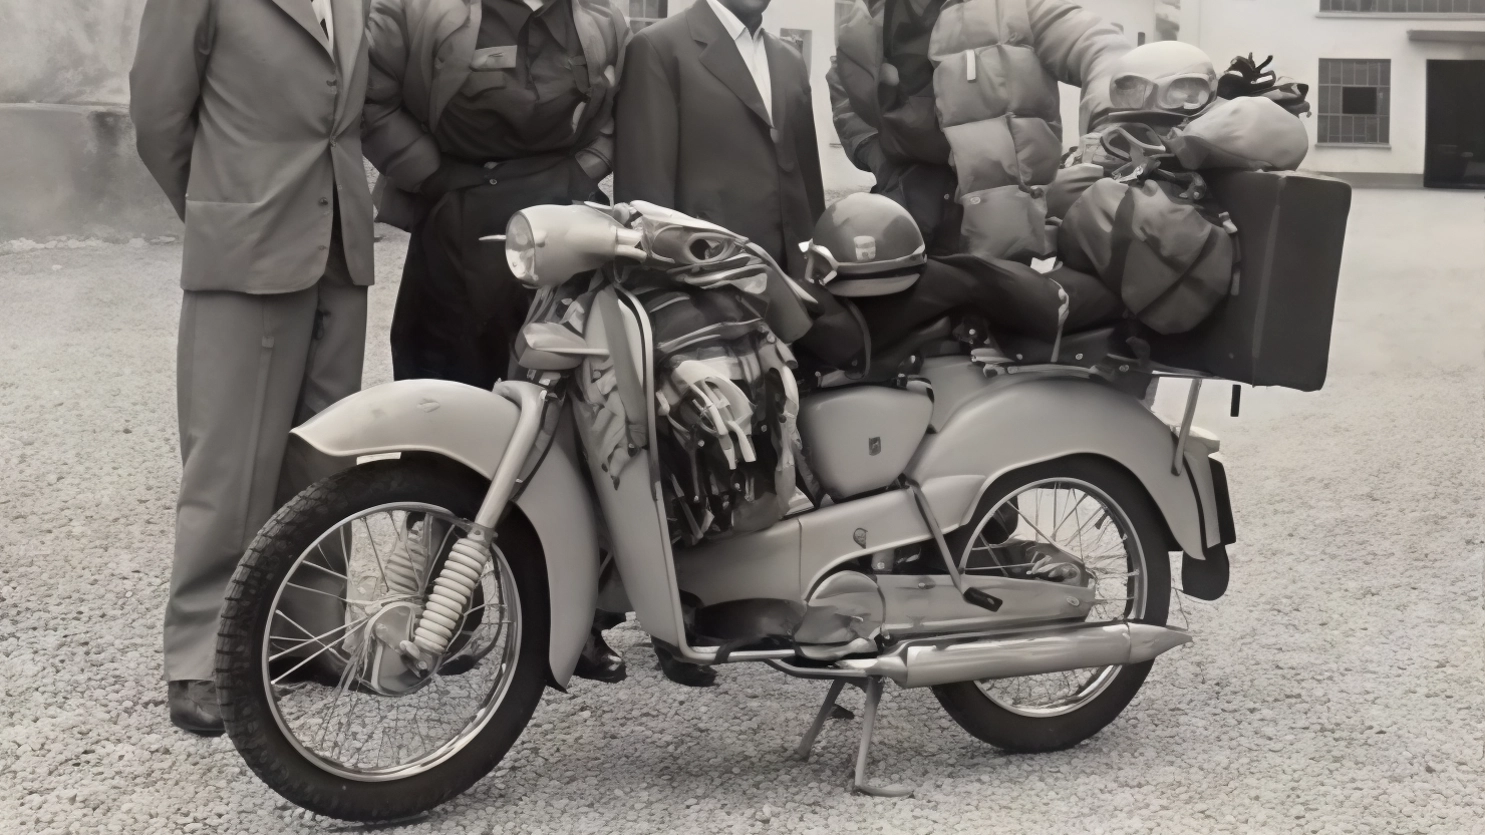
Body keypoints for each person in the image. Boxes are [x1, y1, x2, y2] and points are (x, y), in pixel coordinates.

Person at [361, 0, 631, 683]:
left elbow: (616, 115)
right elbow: (369, 92)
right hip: (454, 224)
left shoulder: (601, 19)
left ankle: (582, 619)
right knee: (445, 419)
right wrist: (429, 174)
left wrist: (579, 176)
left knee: (577, 423)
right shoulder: (420, 9)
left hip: (559, 231)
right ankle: (443, 614)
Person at [130, 0, 376, 735]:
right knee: (229, 462)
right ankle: (201, 657)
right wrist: (220, 211)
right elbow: (158, 119)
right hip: (247, 249)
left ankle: (306, 636)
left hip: (339, 250)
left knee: (328, 459)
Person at [613, 0, 824, 686]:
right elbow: (645, 192)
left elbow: (803, 181)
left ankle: (768, 600)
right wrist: (663, 285)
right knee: (694, 449)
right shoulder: (663, 48)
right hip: (697, 285)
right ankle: (677, 619)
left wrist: (806, 278)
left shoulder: (789, 61)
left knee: (771, 438)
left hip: (773, 284)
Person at [829, 0, 1130, 261]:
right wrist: (875, 154)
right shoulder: (866, 22)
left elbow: (1101, 47)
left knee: (1004, 312)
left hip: (1001, 214)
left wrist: (1112, 127)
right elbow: (844, 89)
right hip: (905, 211)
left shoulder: (1015, 8)